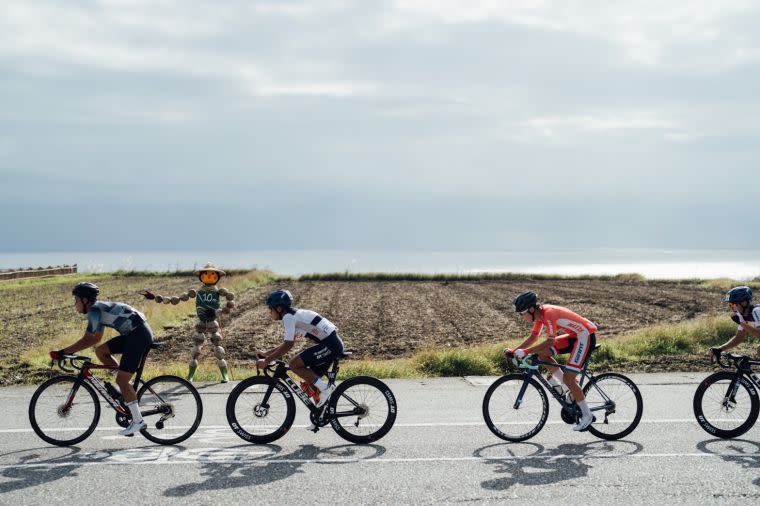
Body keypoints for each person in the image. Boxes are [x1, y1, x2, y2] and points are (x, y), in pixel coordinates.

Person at [52, 282, 154, 436]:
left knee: (122, 380)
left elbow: (90, 339)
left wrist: (63, 352)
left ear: (85, 301)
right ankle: (127, 390)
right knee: (101, 351)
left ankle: (138, 421)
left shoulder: (95, 311)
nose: (74, 304)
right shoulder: (96, 309)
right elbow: (95, 340)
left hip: (138, 335)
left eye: (76, 300)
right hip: (135, 332)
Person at [505, 291, 597, 431]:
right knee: (542, 354)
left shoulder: (548, 314)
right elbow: (534, 337)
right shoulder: (539, 315)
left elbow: (549, 341)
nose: (521, 317)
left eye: (521, 313)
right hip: (574, 336)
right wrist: (515, 350)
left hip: (585, 336)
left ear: (530, 309)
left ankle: (587, 415)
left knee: (569, 378)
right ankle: (566, 386)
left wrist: (526, 351)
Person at [257, 289, 345, 415]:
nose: (269, 312)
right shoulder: (293, 315)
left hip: (331, 345)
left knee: (294, 364)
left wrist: (267, 360)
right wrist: (267, 353)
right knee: (311, 378)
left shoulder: (288, 317)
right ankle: (320, 414)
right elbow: (287, 342)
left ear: (279, 309)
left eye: (270, 309)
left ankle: (326, 388)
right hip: (331, 343)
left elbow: (288, 345)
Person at [710, 286, 760, 357]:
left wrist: (742, 324)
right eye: (729, 305)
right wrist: (720, 349)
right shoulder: (742, 315)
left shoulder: (757, 311)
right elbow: (739, 337)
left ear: (744, 302)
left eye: (733, 304)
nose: (731, 307)